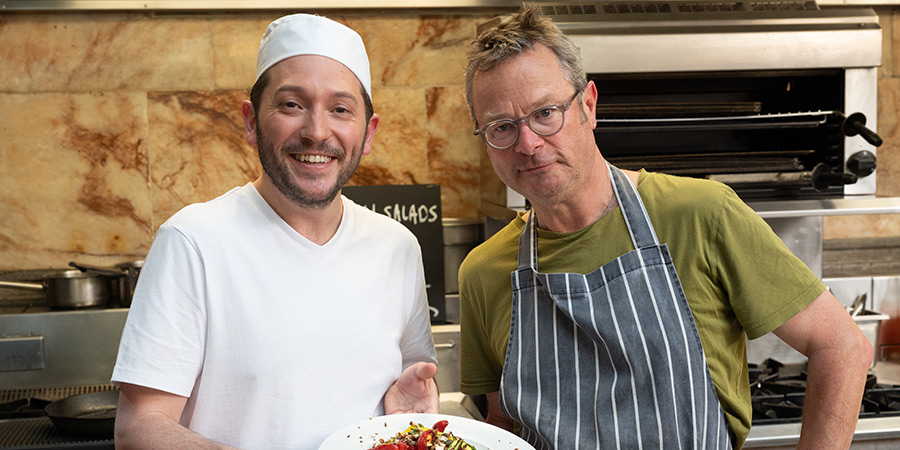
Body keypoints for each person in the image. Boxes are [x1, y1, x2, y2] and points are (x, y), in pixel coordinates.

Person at [457, 6, 872, 449]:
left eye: (545, 113)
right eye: (502, 127)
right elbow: (503, 423)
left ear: (589, 105)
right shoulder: (483, 273)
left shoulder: (701, 215)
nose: (529, 144)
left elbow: (843, 347)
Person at [111, 13, 438, 449]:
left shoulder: (397, 247)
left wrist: (398, 411)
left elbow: (404, 393)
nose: (317, 131)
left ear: (368, 132)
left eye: (340, 109)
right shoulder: (193, 241)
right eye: (292, 105)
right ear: (251, 121)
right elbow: (139, 427)